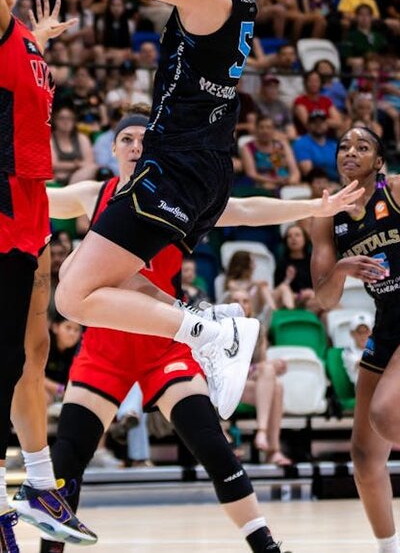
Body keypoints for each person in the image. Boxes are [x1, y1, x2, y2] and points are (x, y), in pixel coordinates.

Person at [0, 0, 349, 424]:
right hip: (201, 167)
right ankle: (209, 328)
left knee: (72, 295)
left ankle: (212, 330)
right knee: (116, 280)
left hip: (178, 167)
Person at [42, 108, 361, 553]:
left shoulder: (179, 200)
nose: (136, 147)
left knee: (212, 446)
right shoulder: (95, 194)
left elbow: (247, 209)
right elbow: (36, 195)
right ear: (112, 149)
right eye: (127, 140)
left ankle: (267, 546)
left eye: (143, 140)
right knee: (67, 457)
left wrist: (313, 206)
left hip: (165, 344)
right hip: (104, 347)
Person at [0, 0, 96, 551]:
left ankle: (40, 487)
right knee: (6, 356)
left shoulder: (24, 39)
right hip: (4, 198)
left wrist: (38, 36)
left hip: (33, 204)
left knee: (32, 353)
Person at [311, 126, 400, 553]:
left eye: (362, 146)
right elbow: (325, 298)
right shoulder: (327, 215)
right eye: (344, 146)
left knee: (385, 415)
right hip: (387, 321)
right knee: (365, 457)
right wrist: (343, 269)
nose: (351, 151)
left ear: (378, 162)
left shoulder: (397, 191)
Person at [228, 288, 291, 464]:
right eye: (236, 300)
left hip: (246, 384)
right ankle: (270, 445)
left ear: (251, 306)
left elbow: (262, 367)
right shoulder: (220, 328)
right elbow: (226, 368)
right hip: (225, 387)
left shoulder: (257, 329)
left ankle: (270, 444)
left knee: (276, 385)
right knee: (272, 378)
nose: (241, 304)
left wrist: (270, 366)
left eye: (245, 300)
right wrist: (266, 366)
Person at [240, 116, 300, 193]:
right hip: (261, 184)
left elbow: (294, 169)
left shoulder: (281, 145)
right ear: (256, 129)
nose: (265, 131)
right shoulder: (248, 147)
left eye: (269, 127)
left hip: (285, 182)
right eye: (261, 127)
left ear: (274, 130)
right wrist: (275, 181)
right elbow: (251, 174)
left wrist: (292, 180)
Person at [293, 110, 339, 180]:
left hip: (336, 183)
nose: (318, 125)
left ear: (327, 124)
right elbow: (308, 172)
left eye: (322, 122)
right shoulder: (301, 143)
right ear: (308, 125)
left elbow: (342, 169)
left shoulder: (333, 145)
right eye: (314, 122)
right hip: (313, 183)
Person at [342, 313, 373, 386]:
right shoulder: (348, 352)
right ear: (352, 333)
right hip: (361, 389)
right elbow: (363, 364)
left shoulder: (376, 348)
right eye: (359, 332)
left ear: (371, 333)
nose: (363, 335)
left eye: (366, 332)